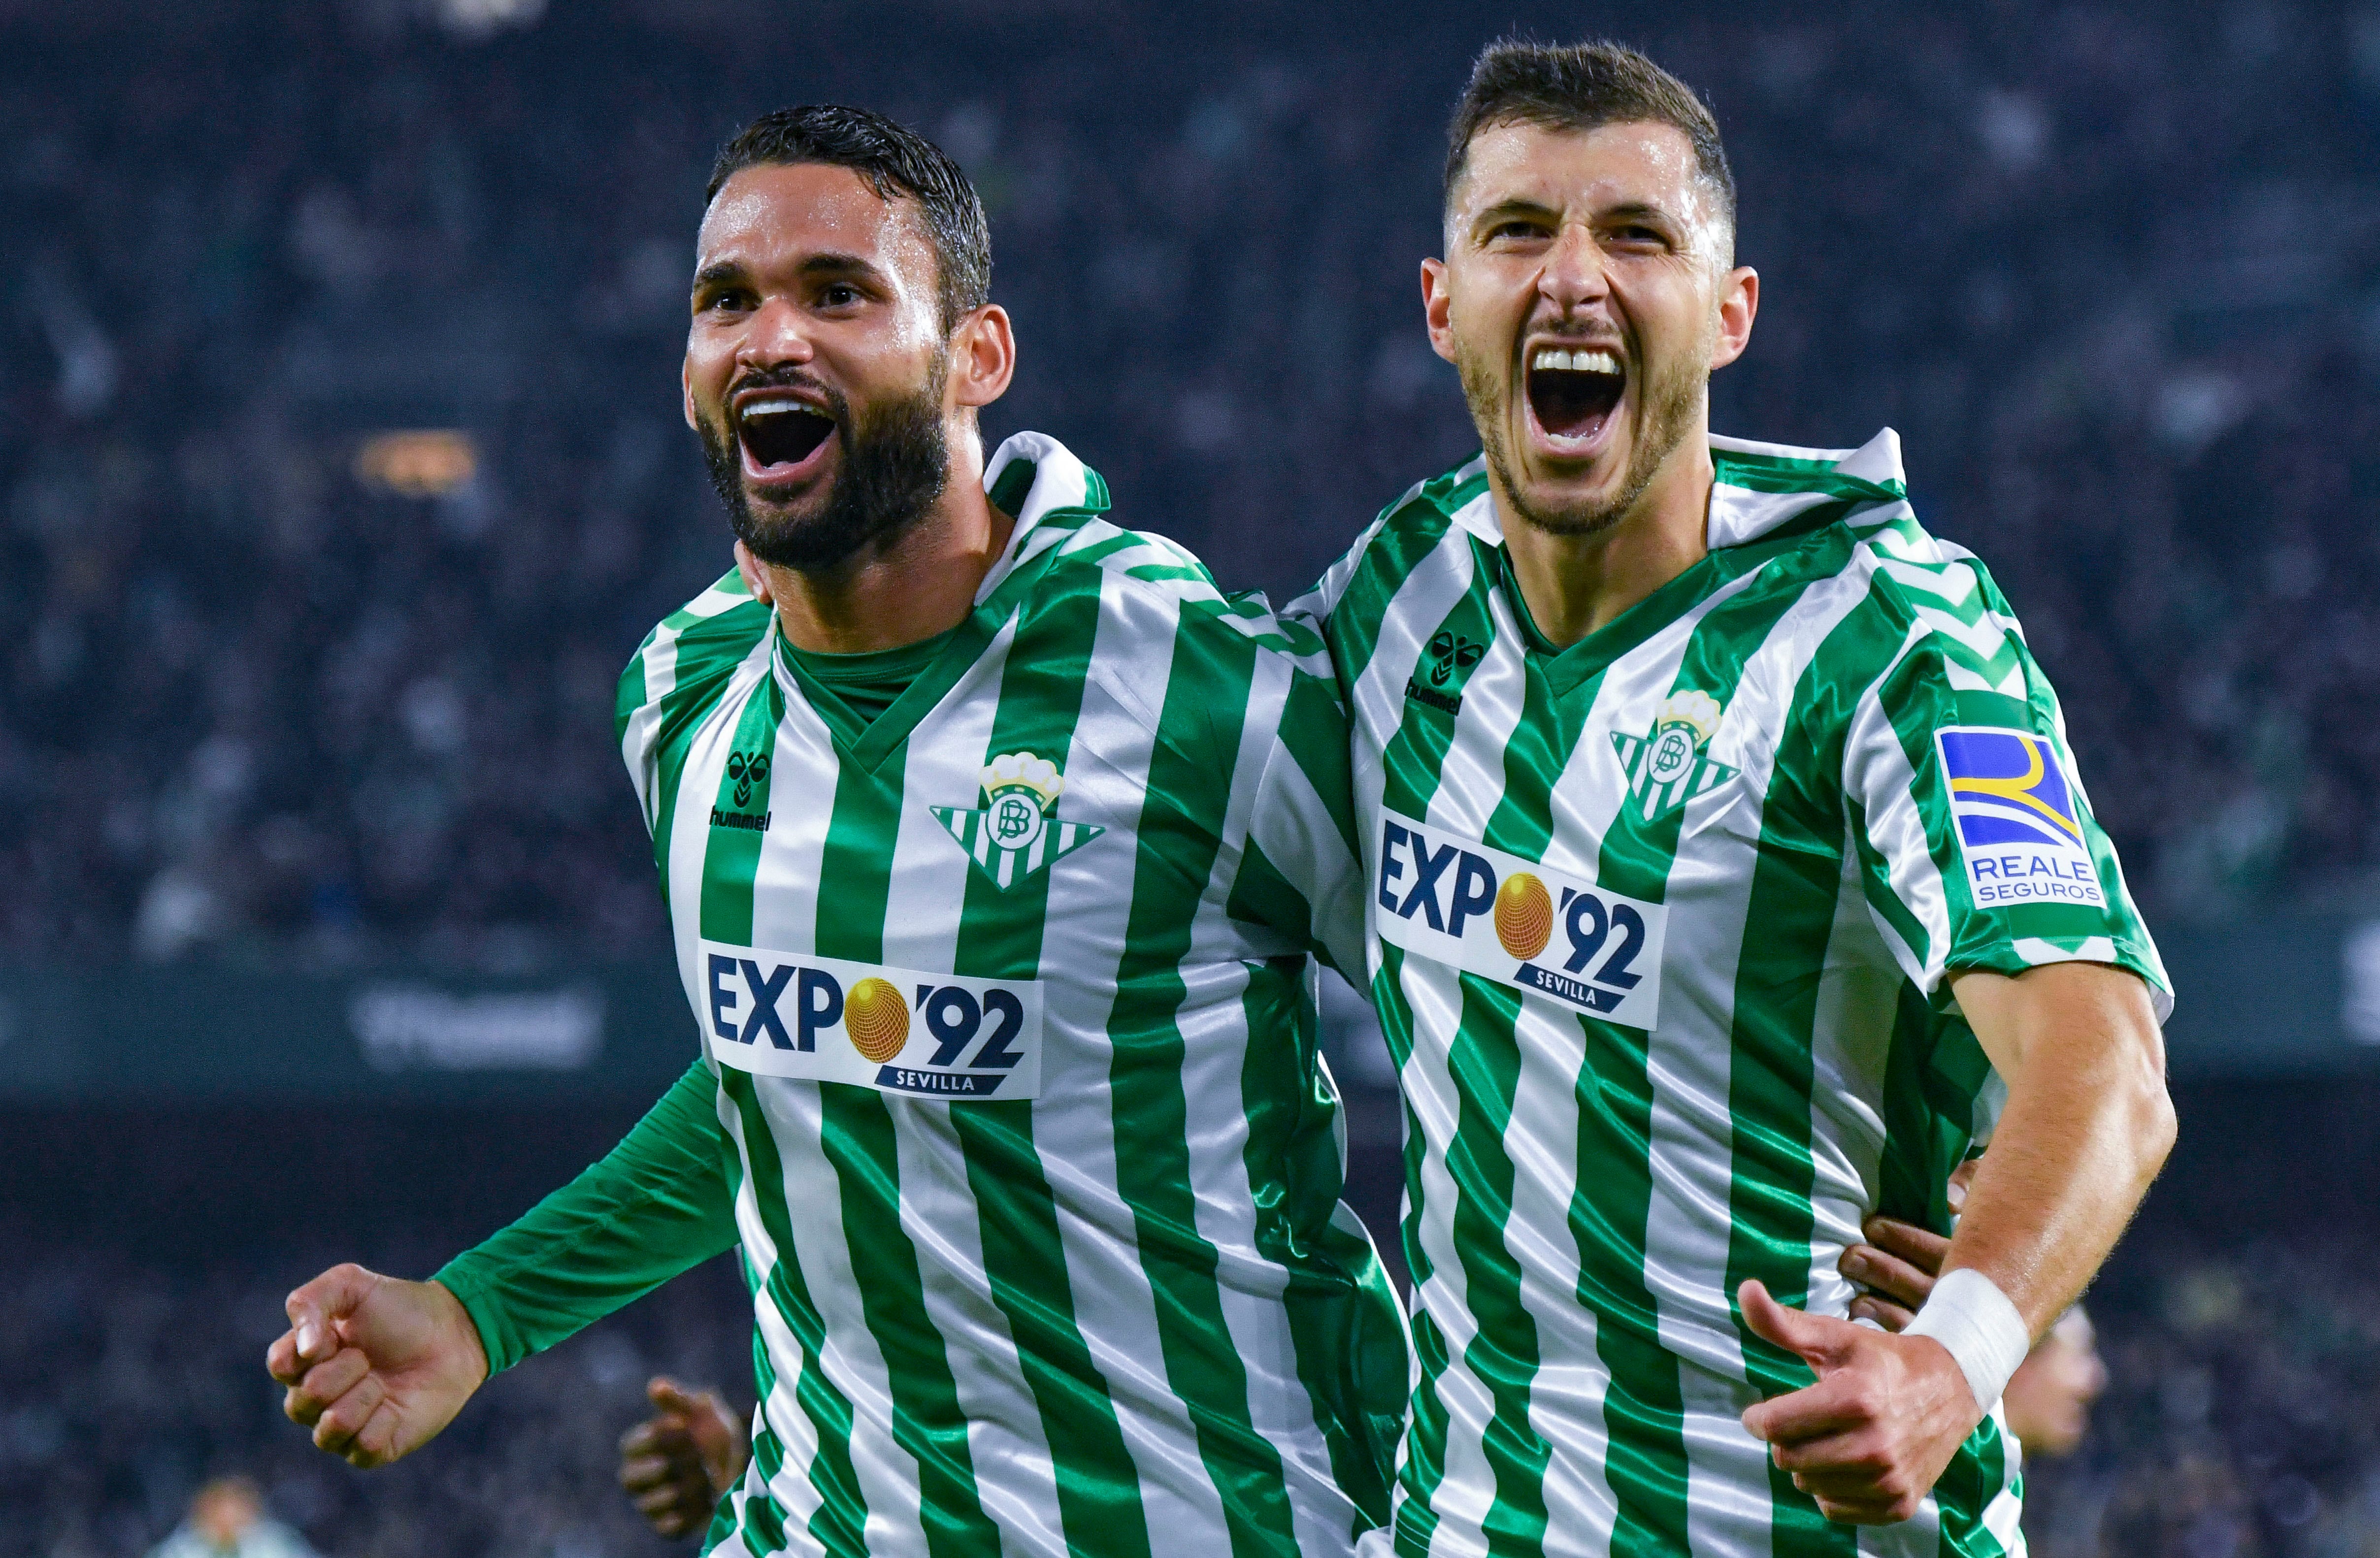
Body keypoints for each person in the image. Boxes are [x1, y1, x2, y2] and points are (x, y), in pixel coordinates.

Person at [264, 104, 1408, 1558]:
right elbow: (793, 1072)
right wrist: (481, 1310)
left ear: (975, 356)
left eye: (837, 293)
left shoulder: (1196, 686)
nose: (770, 337)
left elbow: (1514, 1041)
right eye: (725, 301)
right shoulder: (685, 699)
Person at [1285, 38, 2176, 1554]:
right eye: (1517, 230)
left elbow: (2102, 1059)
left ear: (1728, 311)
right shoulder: (1401, 591)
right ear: (1441, 306)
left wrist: (1950, 1358)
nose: (1573, 279)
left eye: (1635, 235)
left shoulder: (1889, 629)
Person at [148, 1478, 317, 1558]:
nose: (228, 1517)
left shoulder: (279, 1543)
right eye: (219, 1508)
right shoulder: (178, 1550)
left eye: (236, 1507)